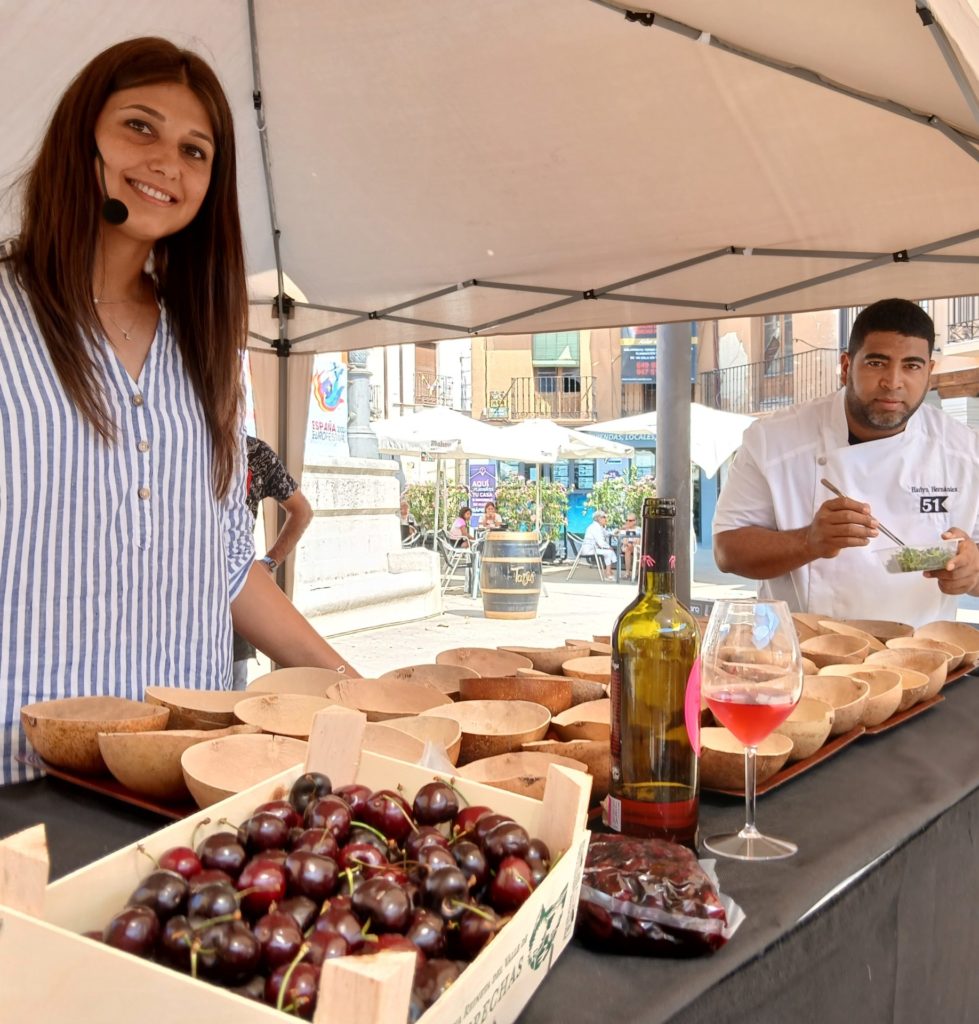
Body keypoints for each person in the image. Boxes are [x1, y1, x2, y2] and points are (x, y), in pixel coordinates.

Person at [0, 37, 354, 785]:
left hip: (185, 776)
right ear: (81, 136)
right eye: (139, 126)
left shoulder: (211, 350)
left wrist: (357, 694)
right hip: (21, 777)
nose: (168, 161)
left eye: (196, 150)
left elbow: (226, 562)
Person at [713, 298, 979, 626]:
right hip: (808, 659)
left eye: (911, 365)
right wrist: (809, 541)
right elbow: (728, 552)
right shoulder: (773, 441)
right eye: (877, 363)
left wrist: (971, 573)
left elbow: (975, 566)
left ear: (929, 372)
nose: (893, 382)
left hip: (923, 658)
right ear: (845, 366)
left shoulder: (964, 452)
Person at [231, 437, 314, 689]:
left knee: (233, 693)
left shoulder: (254, 452)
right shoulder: (182, 445)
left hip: (237, 595)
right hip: (184, 603)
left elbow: (302, 510)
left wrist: (269, 562)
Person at [581, 510, 617, 580]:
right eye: (604, 517)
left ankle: (609, 571)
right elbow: (601, 543)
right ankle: (608, 573)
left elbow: (606, 533)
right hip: (589, 550)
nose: (606, 519)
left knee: (609, 551)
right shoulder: (595, 527)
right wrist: (608, 547)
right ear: (599, 518)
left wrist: (613, 532)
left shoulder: (598, 526)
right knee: (609, 552)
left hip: (592, 548)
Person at [615, 512, 640, 576]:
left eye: (630, 520)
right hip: (626, 547)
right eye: (627, 520)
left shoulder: (639, 529)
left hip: (636, 547)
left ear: (635, 521)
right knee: (628, 549)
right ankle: (627, 572)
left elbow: (641, 539)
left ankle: (637, 572)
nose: (628, 522)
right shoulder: (624, 530)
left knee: (638, 549)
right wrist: (621, 529)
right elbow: (616, 535)